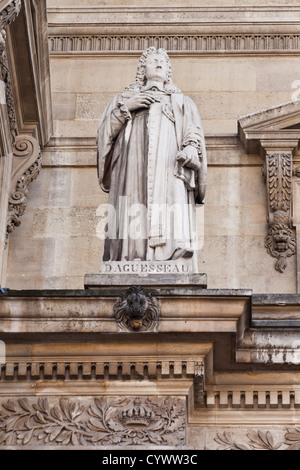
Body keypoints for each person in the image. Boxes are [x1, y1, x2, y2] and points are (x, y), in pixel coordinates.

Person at [97, 47, 207, 269]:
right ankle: (129, 257)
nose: (159, 64)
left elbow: (193, 132)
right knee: (133, 200)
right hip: (132, 163)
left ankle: (171, 256)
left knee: (170, 198)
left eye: (163, 62)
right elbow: (104, 136)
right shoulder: (123, 99)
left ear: (168, 72)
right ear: (142, 70)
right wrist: (125, 109)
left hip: (169, 164)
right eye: (154, 60)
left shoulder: (181, 102)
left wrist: (191, 150)